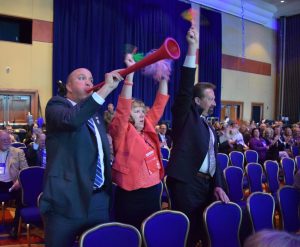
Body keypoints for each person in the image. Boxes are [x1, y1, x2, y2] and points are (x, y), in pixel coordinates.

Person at [39, 68, 123, 247]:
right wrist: (105, 89)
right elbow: (72, 119)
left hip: (98, 200)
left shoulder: (95, 115)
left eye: (91, 79)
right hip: (65, 201)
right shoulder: (56, 106)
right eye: (82, 78)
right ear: (68, 86)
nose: (89, 83)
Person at [166, 26, 229, 247]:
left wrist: (218, 185)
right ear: (197, 101)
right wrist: (192, 47)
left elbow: (214, 159)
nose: (214, 103)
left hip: (206, 185)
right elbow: (184, 88)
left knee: (205, 231)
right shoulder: (185, 116)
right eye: (210, 98)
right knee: (188, 234)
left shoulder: (209, 127)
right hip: (186, 183)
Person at [109, 54, 169, 228]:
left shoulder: (148, 127)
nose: (142, 114)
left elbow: (159, 105)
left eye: (143, 111)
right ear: (128, 115)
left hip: (153, 190)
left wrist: (164, 78)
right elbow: (122, 109)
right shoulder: (121, 131)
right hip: (131, 194)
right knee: (130, 235)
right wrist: (130, 74)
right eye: (137, 111)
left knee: (149, 234)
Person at [0, 130, 28, 238]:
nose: (7, 142)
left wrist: (19, 181)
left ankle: (15, 227)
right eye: (4, 140)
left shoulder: (17, 152)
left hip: (13, 184)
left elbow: (25, 171)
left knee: (23, 196)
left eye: (8, 139)